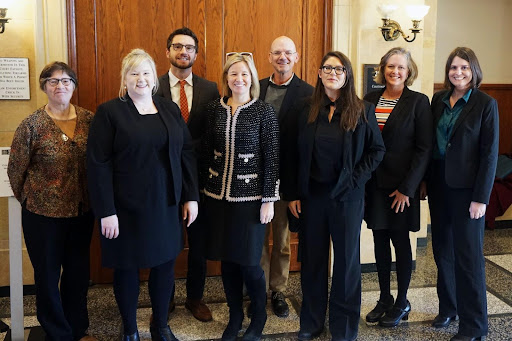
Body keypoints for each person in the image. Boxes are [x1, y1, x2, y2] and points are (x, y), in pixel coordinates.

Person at [87, 49, 199, 341]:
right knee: (127, 269)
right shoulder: (109, 112)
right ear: (124, 79)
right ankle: (130, 329)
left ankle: (160, 325)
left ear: (154, 78)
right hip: (124, 208)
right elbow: (98, 163)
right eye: (134, 73)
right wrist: (106, 211)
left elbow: (185, 153)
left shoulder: (169, 109)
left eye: (146, 72)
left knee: (164, 266)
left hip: (166, 204)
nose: (141, 78)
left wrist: (191, 196)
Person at [287, 51, 385, 341]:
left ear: (347, 75)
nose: (332, 72)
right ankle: (313, 321)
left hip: (347, 198)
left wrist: (356, 179)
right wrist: (292, 193)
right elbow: (292, 154)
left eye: (338, 69)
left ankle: (343, 327)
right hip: (312, 197)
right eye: (327, 68)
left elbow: (376, 150)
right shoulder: (304, 109)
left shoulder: (362, 110)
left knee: (346, 264)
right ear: (319, 73)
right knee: (313, 261)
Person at [7, 62, 96, 341]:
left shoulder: (90, 120)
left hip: (82, 213)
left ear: (74, 85)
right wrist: (33, 200)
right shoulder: (31, 125)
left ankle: (78, 329)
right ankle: (58, 333)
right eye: (53, 81)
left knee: (78, 275)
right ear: (44, 86)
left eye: (67, 80)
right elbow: (15, 171)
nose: (61, 86)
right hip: (42, 216)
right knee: (47, 277)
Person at [201, 53, 279, 341]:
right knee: (227, 261)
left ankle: (258, 315)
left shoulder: (264, 112)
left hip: (251, 202)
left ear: (252, 78)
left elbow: (272, 158)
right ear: (226, 79)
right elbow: (206, 151)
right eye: (233, 74)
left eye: (244, 74)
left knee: (249, 262)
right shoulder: (214, 110)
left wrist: (269, 199)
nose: (239, 79)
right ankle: (235, 315)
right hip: (217, 199)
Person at [427, 47, 498, 341]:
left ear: (474, 71)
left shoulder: (485, 103)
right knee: (442, 251)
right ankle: (449, 308)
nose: (458, 73)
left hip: (469, 192)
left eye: (464, 68)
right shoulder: (438, 100)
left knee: (468, 257)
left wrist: (481, 198)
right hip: (439, 186)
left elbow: (489, 154)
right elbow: (431, 145)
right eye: (454, 68)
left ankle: (475, 326)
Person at [363, 47, 433, 327]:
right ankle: (384, 298)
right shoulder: (369, 99)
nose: (395, 71)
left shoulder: (418, 102)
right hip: (374, 185)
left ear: (409, 71)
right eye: (390, 66)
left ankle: (402, 301)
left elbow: (423, 149)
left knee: (401, 243)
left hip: (402, 189)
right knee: (379, 241)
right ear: (383, 69)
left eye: (401, 67)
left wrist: (408, 188)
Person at [155, 26, 220, 323]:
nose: (184, 52)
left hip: (201, 179)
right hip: (163, 178)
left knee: (199, 243)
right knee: (165, 242)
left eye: (189, 48)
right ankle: (164, 299)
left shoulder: (210, 89)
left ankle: (195, 297)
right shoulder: (152, 88)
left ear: (195, 53)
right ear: (167, 51)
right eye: (178, 47)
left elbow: (214, 134)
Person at [258, 36, 313, 318]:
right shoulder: (255, 87)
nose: (282, 57)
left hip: (285, 180)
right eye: (277, 52)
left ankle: (278, 290)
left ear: (296, 57)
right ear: (269, 56)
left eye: (288, 53)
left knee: (280, 238)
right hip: (253, 177)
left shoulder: (309, 92)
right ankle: (257, 289)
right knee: (256, 237)